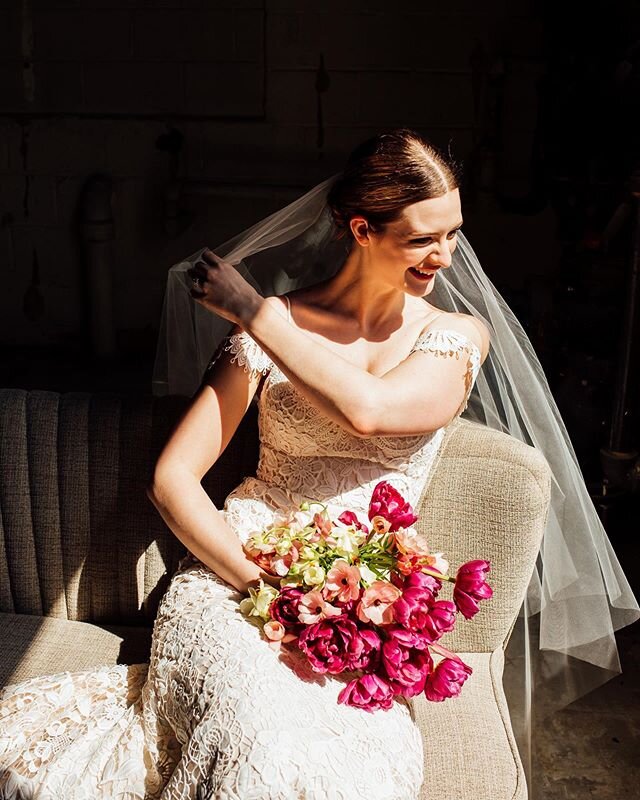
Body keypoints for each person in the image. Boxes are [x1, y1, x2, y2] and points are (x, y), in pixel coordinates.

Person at [0, 130, 637, 799]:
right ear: (362, 229)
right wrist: (267, 587)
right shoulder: (272, 329)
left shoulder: (452, 338)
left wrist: (256, 312)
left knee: (343, 769)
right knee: (257, 746)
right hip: (236, 580)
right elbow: (172, 479)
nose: (446, 257)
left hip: (369, 603)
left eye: (453, 233)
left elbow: (370, 411)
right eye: (423, 239)